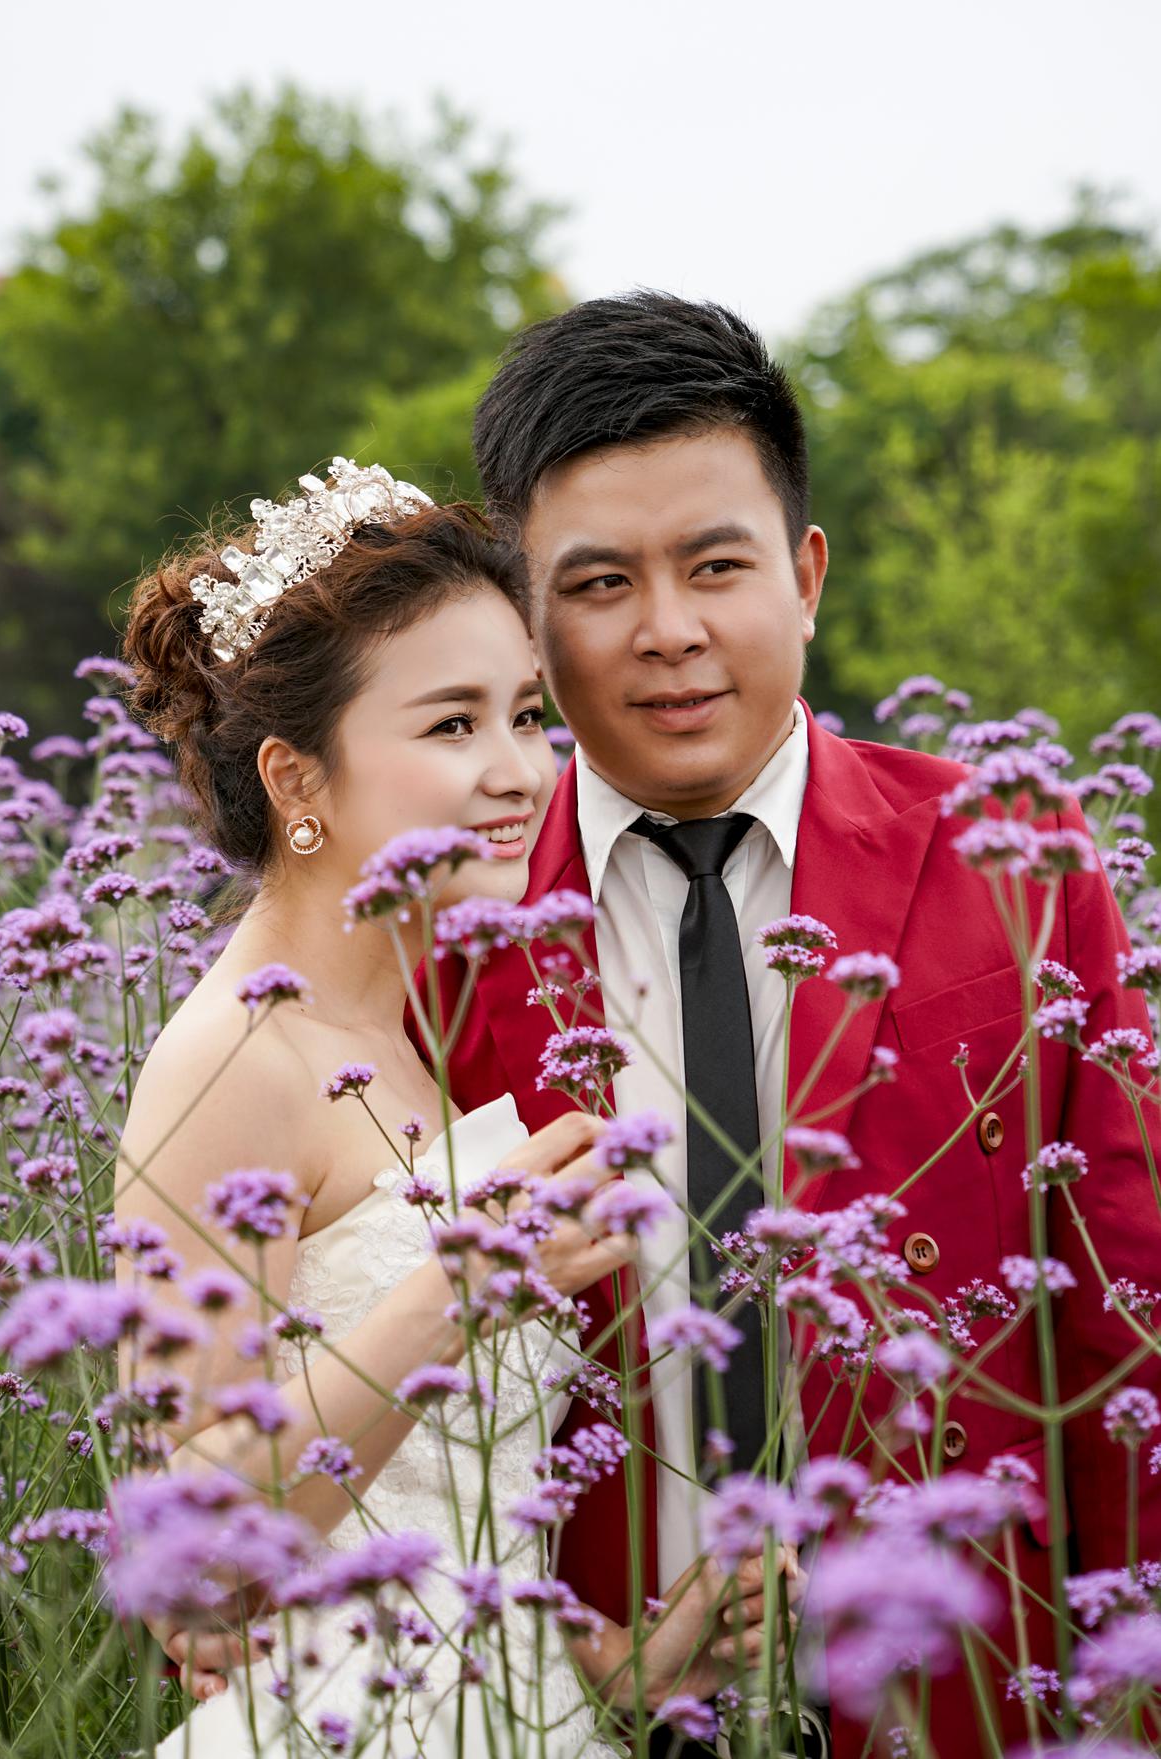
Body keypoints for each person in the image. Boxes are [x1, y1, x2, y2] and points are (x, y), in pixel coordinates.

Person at [427, 293, 1161, 1757]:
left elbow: (1125, 1314)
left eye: (717, 566)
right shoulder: (454, 923)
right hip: (589, 1702)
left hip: (966, 1680)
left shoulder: (1017, 860)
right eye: (600, 584)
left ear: (806, 574)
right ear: (528, 619)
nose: (671, 632)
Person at [116, 465, 775, 1756]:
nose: (521, 771)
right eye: (452, 725)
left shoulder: (411, 1039)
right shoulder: (235, 1063)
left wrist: (634, 1666)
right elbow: (192, 1562)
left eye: (526, 715)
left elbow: (443, 1517)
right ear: (297, 780)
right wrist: (462, 1286)